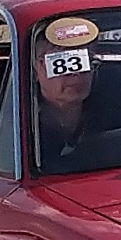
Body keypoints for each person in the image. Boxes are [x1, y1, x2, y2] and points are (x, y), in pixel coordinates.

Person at [32, 17, 100, 168]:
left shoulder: (115, 119)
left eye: (84, 60)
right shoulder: (22, 132)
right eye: (61, 61)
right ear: (37, 69)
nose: (76, 73)